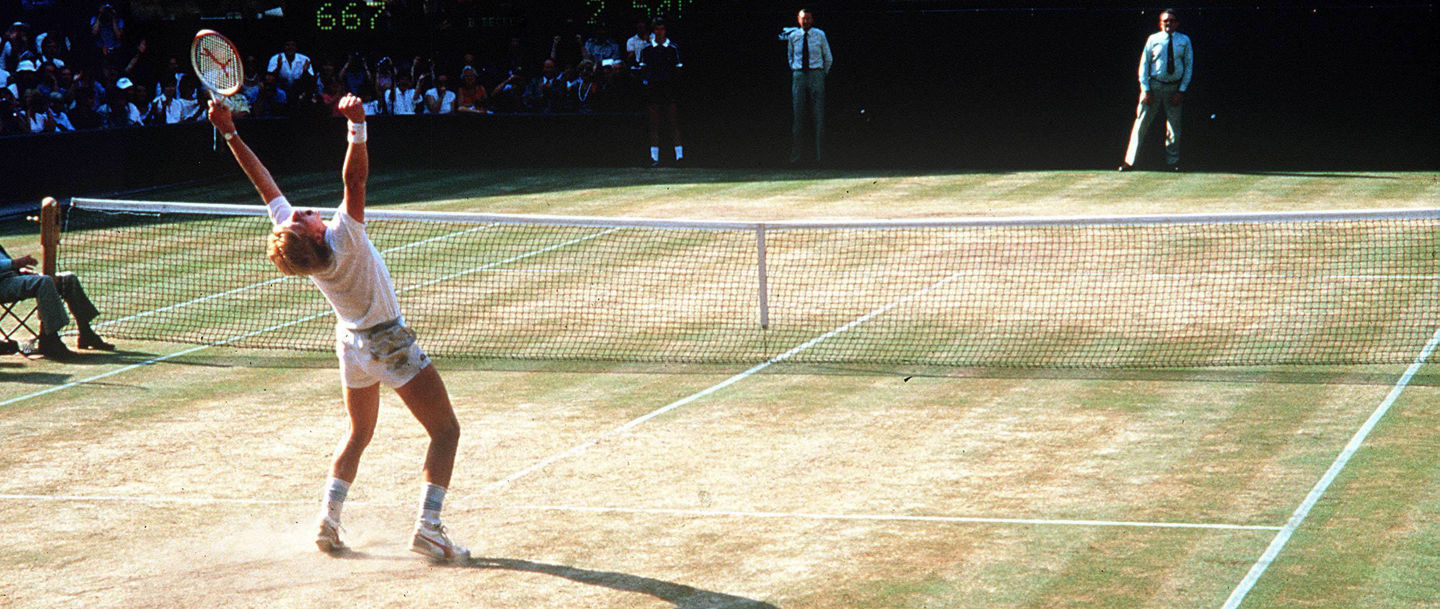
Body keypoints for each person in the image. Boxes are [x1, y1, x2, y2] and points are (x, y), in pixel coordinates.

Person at [207, 94, 470, 563]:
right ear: (311, 234)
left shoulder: (303, 246)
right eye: (303, 216)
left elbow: (263, 184)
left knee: (358, 433)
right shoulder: (344, 237)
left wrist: (229, 132)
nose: (302, 210)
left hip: (351, 344)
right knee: (445, 431)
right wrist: (357, 126)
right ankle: (429, 528)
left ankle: (327, 523)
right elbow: (355, 178)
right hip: (388, 342)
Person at [0, 242, 114, 358]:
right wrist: (13, 264)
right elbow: (8, 265)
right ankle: (50, 340)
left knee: (68, 279)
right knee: (44, 282)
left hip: (11, 277)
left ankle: (86, 332)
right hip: (2, 284)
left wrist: (19, 270)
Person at [1119, 9, 1193, 172]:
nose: (1168, 23)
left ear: (1177, 23)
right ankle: (1129, 162)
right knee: (1141, 123)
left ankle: (1173, 163)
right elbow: (1144, 65)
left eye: (1172, 21)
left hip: (1174, 88)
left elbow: (1188, 66)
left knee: (1174, 127)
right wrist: (1145, 89)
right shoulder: (1153, 39)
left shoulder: (1184, 41)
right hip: (1154, 86)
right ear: (1160, 23)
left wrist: (1181, 90)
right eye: (1165, 21)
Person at [784, 9, 832, 165]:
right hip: (799, 75)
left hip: (816, 74)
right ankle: (796, 157)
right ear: (798, 20)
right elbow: (790, 57)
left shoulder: (819, 35)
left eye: (808, 19)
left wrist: (820, 73)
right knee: (798, 117)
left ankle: (821, 157)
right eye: (803, 19)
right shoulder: (793, 36)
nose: (806, 22)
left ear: (812, 20)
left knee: (818, 116)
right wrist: (796, 70)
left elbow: (828, 57)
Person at [636, 19, 683, 167]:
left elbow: (678, 70)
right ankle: (654, 159)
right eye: (657, 29)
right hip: (653, 90)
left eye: (662, 29)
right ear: (653, 31)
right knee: (654, 125)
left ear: (665, 30)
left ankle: (679, 158)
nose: (659, 32)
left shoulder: (673, 49)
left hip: (669, 90)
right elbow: (643, 71)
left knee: (673, 124)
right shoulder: (647, 50)